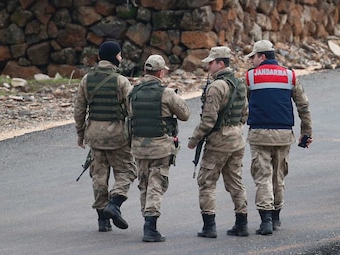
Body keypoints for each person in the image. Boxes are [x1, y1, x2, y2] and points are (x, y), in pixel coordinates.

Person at [244, 39, 313, 235]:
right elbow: (303, 105)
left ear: (262, 56)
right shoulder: (290, 76)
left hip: (259, 135)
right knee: (279, 176)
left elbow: (242, 106)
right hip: (284, 135)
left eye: (254, 57)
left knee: (262, 176)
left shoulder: (250, 78)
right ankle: (276, 218)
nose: (251, 61)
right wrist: (306, 133)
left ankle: (265, 220)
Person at [73, 40, 137, 232]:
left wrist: (80, 134)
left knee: (99, 176)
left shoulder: (87, 79)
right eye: (119, 55)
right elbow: (132, 109)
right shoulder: (121, 81)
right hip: (117, 136)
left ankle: (102, 219)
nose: (121, 58)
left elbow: (79, 109)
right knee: (127, 171)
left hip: (94, 135)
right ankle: (114, 203)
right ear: (114, 57)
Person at [187, 46, 249, 239]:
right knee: (235, 182)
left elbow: (208, 120)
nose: (208, 66)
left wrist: (194, 140)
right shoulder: (239, 84)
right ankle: (242, 224)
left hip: (218, 140)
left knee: (206, 182)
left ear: (220, 63)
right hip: (237, 138)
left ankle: (209, 226)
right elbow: (245, 113)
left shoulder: (216, 86)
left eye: (211, 63)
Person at [127, 54, 190, 242]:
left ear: (145, 71)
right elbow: (185, 114)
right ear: (160, 73)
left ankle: (147, 221)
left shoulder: (133, 91)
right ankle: (150, 226)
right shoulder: (167, 93)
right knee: (156, 184)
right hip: (161, 146)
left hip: (139, 147)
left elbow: (130, 114)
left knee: (144, 184)